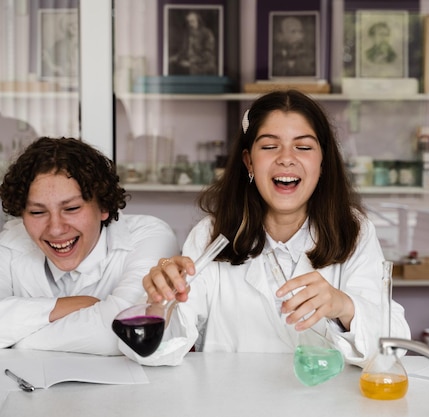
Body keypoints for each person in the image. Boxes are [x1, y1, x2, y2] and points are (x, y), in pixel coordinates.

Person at [122, 90, 411, 366]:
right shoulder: (212, 235)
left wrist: (343, 306)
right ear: (249, 161)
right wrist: (159, 304)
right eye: (270, 146)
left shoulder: (354, 230)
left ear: (323, 161)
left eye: (304, 147)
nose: (286, 158)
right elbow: (156, 353)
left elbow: (393, 347)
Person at [0, 137, 179, 354]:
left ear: (103, 206)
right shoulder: (10, 244)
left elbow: (124, 334)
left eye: (72, 208)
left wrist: (19, 342)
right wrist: (74, 304)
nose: (55, 229)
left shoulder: (149, 236)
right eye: (37, 212)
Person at [168, 10, 217, 75]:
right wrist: (174, 58)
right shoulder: (188, 34)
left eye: (192, 21)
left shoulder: (207, 33)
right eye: (188, 22)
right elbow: (184, 51)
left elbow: (208, 54)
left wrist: (190, 62)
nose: (190, 24)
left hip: (205, 69)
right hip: (191, 68)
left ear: (198, 21)